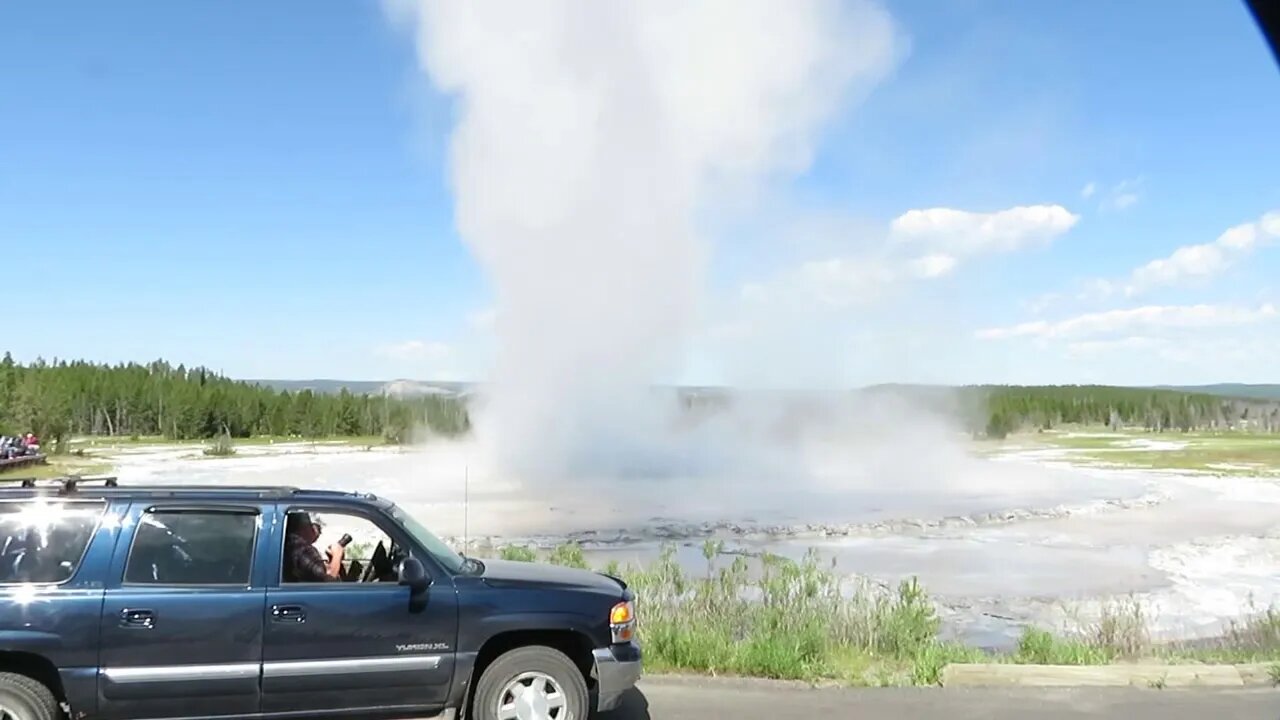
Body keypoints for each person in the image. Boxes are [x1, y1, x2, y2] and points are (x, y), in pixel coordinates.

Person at [282, 511, 345, 582]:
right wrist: (337, 554)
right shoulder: (301, 548)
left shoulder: (288, 544)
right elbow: (327, 580)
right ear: (304, 527)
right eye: (312, 526)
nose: (316, 532)